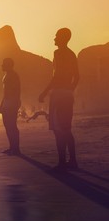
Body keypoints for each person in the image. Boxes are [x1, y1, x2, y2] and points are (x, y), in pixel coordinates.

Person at [39, 28, 79, 172]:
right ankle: (72, 161)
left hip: (58, 95)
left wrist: (44, 92)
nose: (54, 38)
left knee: (58, 129)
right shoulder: (72, 54)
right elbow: (77, 77)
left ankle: (62, 162)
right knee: (66, 129)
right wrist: (70, 91)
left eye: (56, 36)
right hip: (67, 94)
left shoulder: (58, 53)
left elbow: (56, 77)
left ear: (63, 38)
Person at [0, 58, 21, 155]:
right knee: (8, 125)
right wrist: (2, 104)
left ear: (8, 65)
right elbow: (5, 93)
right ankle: (12, 147)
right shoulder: (7, 75)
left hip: (11, 102)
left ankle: (15, 148)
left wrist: (16, 102)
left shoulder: (13, 75)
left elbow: (16, 90)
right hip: (8, 102)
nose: (2, 65)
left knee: (11, 125)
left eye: (4, 64)